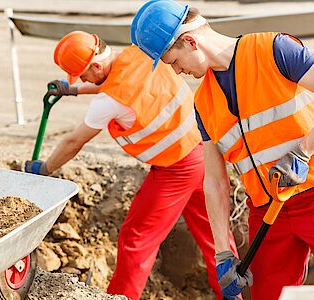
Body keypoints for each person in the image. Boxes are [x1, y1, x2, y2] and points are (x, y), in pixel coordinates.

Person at [131, 1, 314, 300]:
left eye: (173, 62)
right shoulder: (203, 103)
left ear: (190, 41)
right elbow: (215, 182)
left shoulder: (274, 49)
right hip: (268, 212)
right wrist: (221, 254)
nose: (177, 72)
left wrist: (303, 152)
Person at [25, 30, 238, 300]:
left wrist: (44, 169)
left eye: (83, 75)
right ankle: (234, 295)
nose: (84, 80)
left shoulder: (109, 100)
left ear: (96, 65)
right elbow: (116, 81)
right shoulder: (138, 54)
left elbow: (73, 142)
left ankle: (120, 297)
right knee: (215, 238)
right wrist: (73, 90)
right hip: (206, 154)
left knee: (137, 238)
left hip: (177, 168)